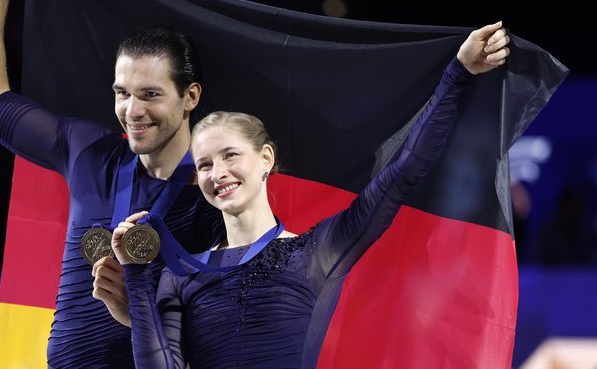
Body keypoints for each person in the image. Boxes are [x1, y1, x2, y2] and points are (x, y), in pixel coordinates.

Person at [112, 22, 511, 368]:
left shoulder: (316, 251)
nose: (219, 173)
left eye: (230, 155)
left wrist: (457, 74)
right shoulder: (180, 276)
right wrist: (136, 272)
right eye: (204, 165)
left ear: (265, 158)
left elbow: (403, 174)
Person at [0, 0, 224, 367]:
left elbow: (223, 344)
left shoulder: (217, 195)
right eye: (122, 93)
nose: (133, 110)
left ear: (190, 97)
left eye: (151, 95)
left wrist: (131, 315)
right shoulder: (91, 153)